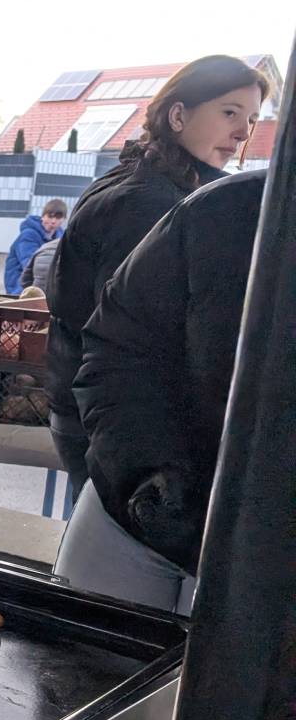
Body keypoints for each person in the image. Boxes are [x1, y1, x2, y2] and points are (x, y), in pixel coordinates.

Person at [44, 56, 268, 492]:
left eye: (252, 120)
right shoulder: (150, 203)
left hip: (93, 417)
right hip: (116, 430)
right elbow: (129, 340)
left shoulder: (144, 179)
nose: (244, 133)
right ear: (178, 115)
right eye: (230, 113)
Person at [55, 169, 265, 614]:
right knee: (82, 651)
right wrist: (150, 479)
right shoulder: (221, 210)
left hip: (263, 561)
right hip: (133, 515)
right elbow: (119, 345)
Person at [3, 200, 65, 295]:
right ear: (43, 216)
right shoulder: (28, 235)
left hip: (43, 286)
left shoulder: (61, 238)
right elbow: (28, 263)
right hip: (20, 287)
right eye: (50, 216)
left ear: (64, 219)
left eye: (58, 217)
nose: (53, 221)